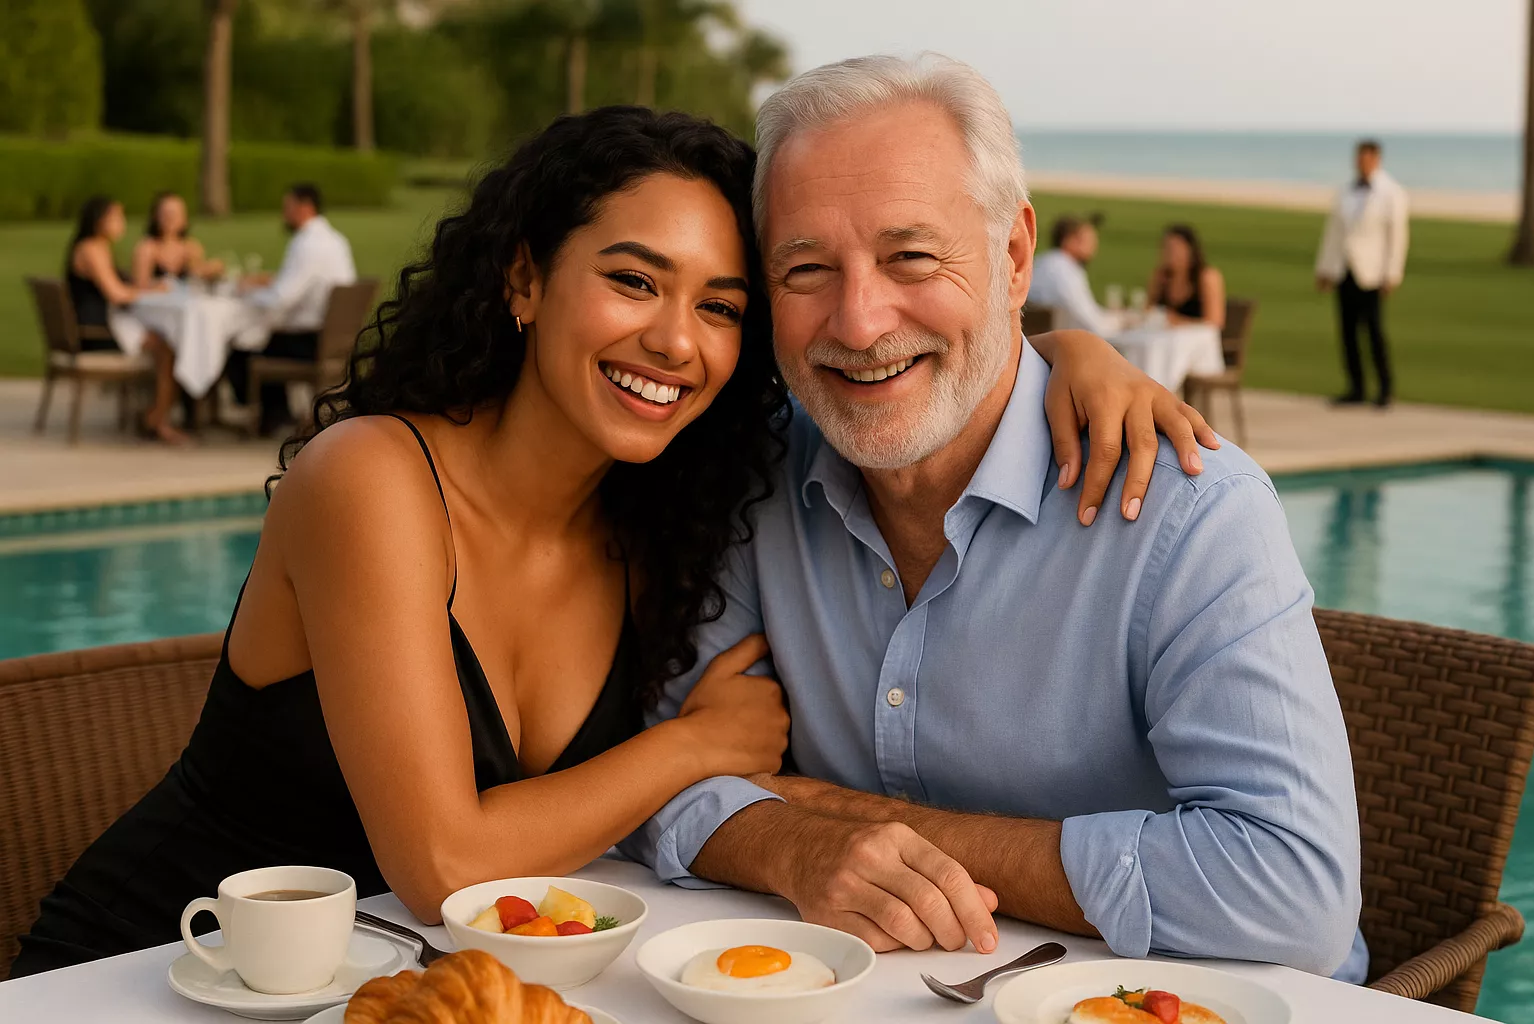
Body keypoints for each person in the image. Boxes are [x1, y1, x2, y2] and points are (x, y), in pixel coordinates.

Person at [12, 106, 1205, 976]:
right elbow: (442, 861)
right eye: (634, 281)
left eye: (723, 306)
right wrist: (696, 744)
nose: (677, 342)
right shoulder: (371, 479)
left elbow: (886, 356)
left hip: (388, 993)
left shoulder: (667, 517)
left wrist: (1065, 357)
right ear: (524, 279)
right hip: (145, 977)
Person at [624, 54, 1365, 982]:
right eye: (807, 268)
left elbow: (1292, 895)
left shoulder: (1188, 512)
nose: (857, 323)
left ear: (1014, 258)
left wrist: (877, 830)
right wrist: (791, 847)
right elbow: (655, 781)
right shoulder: (752, 478)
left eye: (912, 258)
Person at [228, 183, 358, 435]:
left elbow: (281, 297)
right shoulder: (336, 240)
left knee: (244, 345)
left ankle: (270, 416)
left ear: (305, 208)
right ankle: (279, 412)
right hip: (336, 338)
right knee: (261, 337)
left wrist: (246, 294)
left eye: (287, 207)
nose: (284, 214)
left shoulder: (307, 243)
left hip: (310, 340)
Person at [64, 196, 186, 444]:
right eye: (117, 217)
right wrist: (153, 290)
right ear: (100, 221)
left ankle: (153, 413)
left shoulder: (98, 247)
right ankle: (158, 419)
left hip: (102, 327)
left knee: (165, 341)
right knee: (167, 348)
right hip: (95, 334)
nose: (122, 224)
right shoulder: (91, 250)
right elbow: (115, 293)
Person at [1315, 139, 1408, 408]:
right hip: (1344, 270)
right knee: (1347, 332)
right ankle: (1356, 387)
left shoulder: (1392, 193)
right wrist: (1324, 268)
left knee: (1375, 331)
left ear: (1376, 160)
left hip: (1372, 272)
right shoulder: (1344, 190)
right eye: (1359, 158)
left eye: (1367, 158)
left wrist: (1392, 273)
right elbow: (1333, 232)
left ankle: (1385, 388)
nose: (1362, 163)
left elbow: (1397, 237)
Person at [1029, 215, 1114, 336]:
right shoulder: (1064, 270)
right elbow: (1091, 321)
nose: (1093, 246)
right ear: (1068, 241)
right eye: (1086, 240)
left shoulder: (1044, 261)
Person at [131, 192, 225, 287]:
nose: (171, 219)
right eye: (166, 214)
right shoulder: (147, 248)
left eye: (176, 214)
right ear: (156, 217)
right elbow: (139, 284)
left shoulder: (190, 247)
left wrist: (209, 270)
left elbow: (198, 277)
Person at [1146, 224, 1225, 330]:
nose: (1170, 253)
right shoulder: (1161, 277)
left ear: (1190, 250)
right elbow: (1148, 311)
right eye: (1166, 248)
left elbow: (1215, 322)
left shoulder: (1207, 277)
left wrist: (1177, 321)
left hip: (1196, 341)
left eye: (1175, 248)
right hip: (1163, 338)